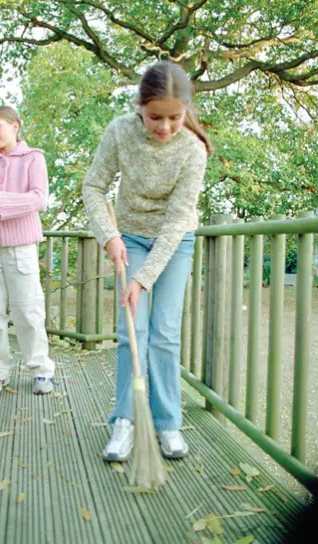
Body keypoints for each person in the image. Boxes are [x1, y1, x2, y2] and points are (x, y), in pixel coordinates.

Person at [83, 61, 211, 462]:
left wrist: (142, 279)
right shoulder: (120, 131)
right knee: (131, 332)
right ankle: (125, 420)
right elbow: (94, 185)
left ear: (186, 110)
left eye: (175, 117)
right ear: (140, 105)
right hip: (131, 236)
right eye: (155, 116)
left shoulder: (193, 148)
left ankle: (167, 422)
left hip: (176, 243)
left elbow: (176, 223)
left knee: (165, 333)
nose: (165, 127)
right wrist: (110, 236)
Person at [0, 106, 55, 396]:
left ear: (15, 126)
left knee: (28, 310)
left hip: (22, 246)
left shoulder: (33, 158)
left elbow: (39, 200)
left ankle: (41, 371)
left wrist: (2, 197)